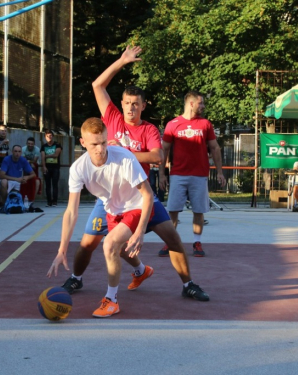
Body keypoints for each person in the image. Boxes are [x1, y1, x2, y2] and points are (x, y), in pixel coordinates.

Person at [56, 45, 209, 304]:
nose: (130, 108)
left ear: (143, 106)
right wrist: (121, 61)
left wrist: (122, 153)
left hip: (140, 196)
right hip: (110, 200)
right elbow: (97, 86)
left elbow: (157, 157)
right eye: (126, 103)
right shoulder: (112, 119)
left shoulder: (148, 129)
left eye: (135, 104)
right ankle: (78, 278)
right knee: (87, 243)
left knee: (173, 238)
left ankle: (188, 284)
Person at [48, 118, 155, 317]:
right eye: (94, 144)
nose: (100, 149)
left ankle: (112, 300)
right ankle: (142, 270)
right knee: (119, 249)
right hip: (112, 209)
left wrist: (140, 231)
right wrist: (62, 249)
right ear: (83, 143)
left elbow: (148, 195)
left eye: (104, 142)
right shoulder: (78, 168)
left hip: (136, 206)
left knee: (109, 245)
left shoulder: (124, 158)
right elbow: (71, 211)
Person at [158, 91, 226, 257]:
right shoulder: (173, 124)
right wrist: (162, 174)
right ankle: (170, 242)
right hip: (177, 174)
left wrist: (220, 172)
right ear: (191, 103)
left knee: (198, 210)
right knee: (173, 210)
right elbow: (164, 150)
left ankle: (197, 242)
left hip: (199, 174)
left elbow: (215, 148)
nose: (203, 106)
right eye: (201, 103)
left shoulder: (205, 124)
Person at [41, 129, 62, 207]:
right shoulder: (44, 146)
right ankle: (49, 202)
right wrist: (44, 166)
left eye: (50, 136)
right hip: (47, 168)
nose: (49, 137)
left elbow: (56, 155)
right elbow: (42, 157)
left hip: (55, 168)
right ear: (45, 137)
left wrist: (47, 156)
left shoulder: (57, 145)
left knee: (55, 184)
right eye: (47, 136)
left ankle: (54, 202)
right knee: (48, 185)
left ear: (53, 136)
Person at [21, 136, 42, 209]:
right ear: (26, 143)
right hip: (25, 166)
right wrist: (29, 162)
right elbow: (23, 161)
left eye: (32, 144)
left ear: (34, 144)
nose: (30, 145)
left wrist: (29, 162)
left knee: (36, 180)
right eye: (29, 143)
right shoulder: (23, 149)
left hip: (34, 166)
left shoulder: (37, 149)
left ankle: (32, 199)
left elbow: (35, 160)